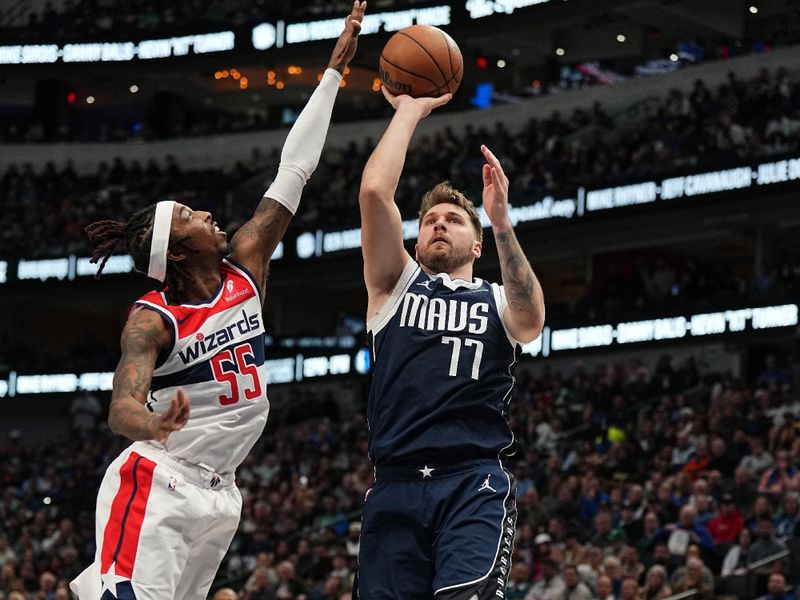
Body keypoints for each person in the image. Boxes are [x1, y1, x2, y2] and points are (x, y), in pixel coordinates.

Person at [68, 4, 366, 598]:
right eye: (189, 216)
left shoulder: (246, 269)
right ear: (176, 253)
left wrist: (332, 73)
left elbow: (294, 169)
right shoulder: (153, 320)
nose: (205, 213)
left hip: (221, 493)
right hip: (157, 478)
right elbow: (120, 408)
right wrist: (153, 423)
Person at [355, 85, 545, 597]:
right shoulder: (394, 285)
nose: (440, 224)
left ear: (476, 244)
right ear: (416, 241)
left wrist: (501, 220)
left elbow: (532, 322)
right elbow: (374, 192)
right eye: (430, 221)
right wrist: (412, 110)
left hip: (472, 481)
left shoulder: (499, 298)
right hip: (395, 483)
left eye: (454, 220)